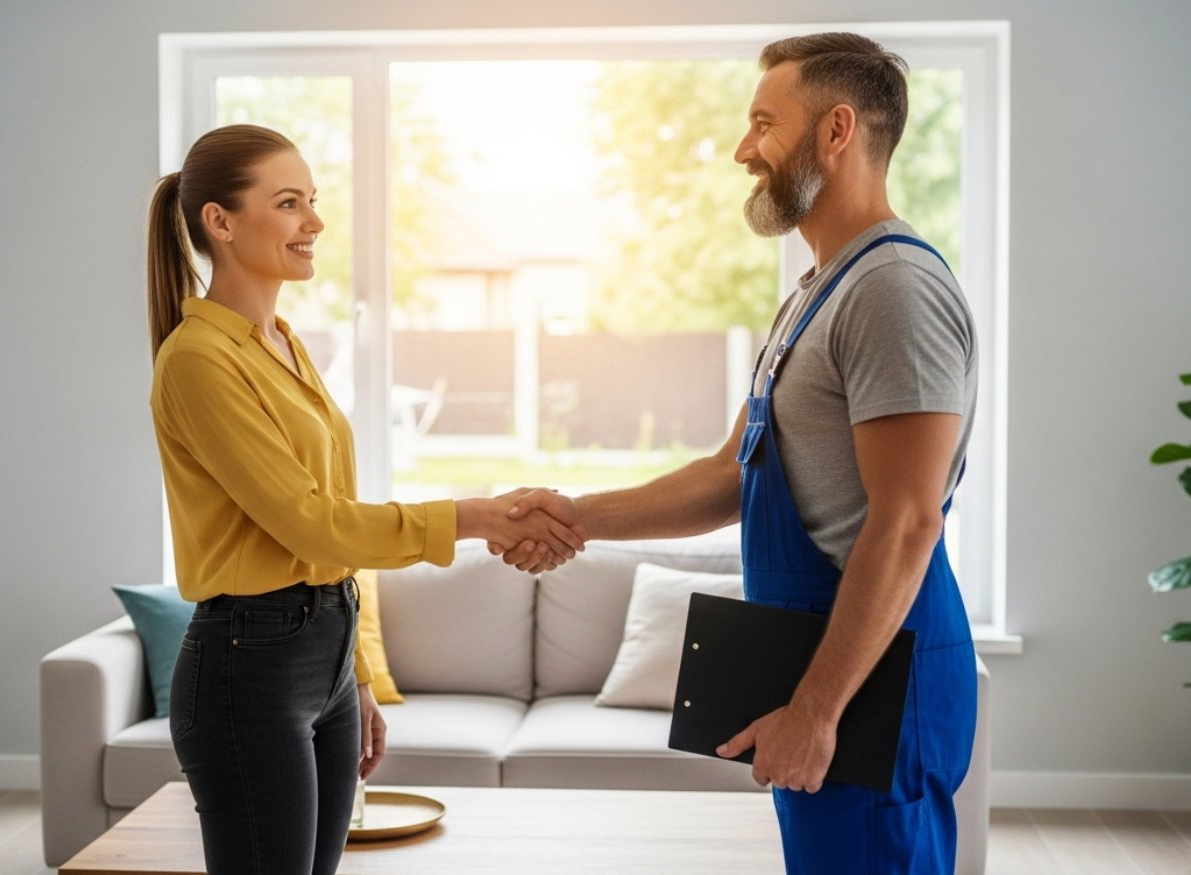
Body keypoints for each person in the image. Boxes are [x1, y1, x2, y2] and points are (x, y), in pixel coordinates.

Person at [495, 33, 978, 874]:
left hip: (872, 681)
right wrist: (575, 517)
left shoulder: (893, 288)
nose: (741, 150)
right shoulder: (816, 291)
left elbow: (906, 523)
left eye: (764, 123)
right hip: (824, 661)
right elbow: (733, 473)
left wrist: (818, 710)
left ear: (835, 131)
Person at [145, 124, 584, 875]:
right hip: (247, 666)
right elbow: (310, 521)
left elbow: (325, 525)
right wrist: (476, 516)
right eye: (289, 203)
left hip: (321, 654)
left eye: (312, 202)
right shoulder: (198, 360)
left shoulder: (282, 341)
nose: (314, 222)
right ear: (219, 221)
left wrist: (349, 677)